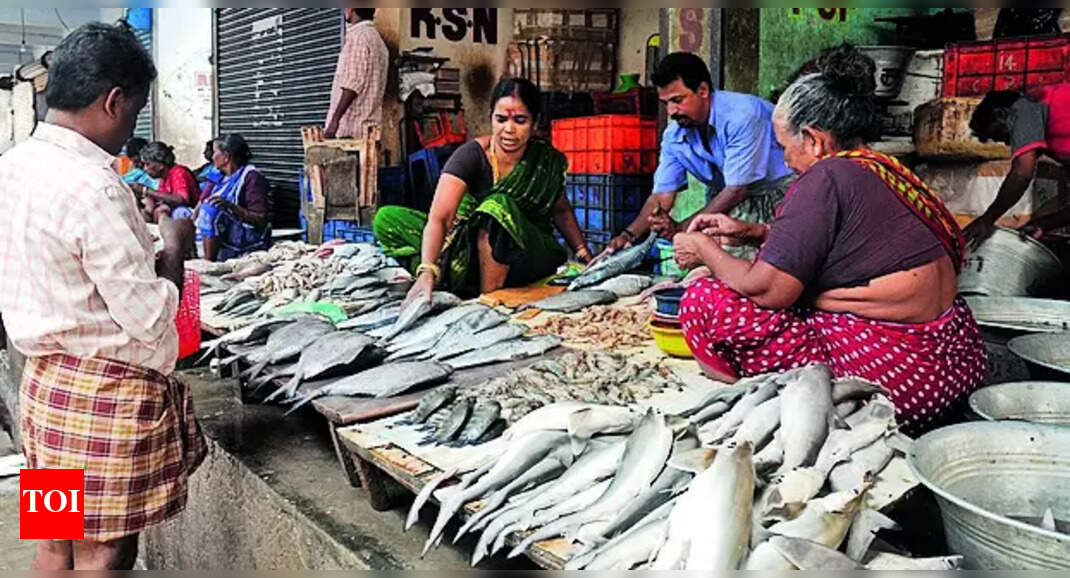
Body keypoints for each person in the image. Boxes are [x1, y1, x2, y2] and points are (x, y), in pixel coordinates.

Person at [673, 47, 986, 433]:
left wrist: (704, 249)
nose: (784, 160)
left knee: (703, 296)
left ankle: (743, 401)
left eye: (784, 146)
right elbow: (846, 246)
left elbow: (769, 290)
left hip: (900, 378)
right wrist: (754, 233)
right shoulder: (881, 168)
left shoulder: (825, 177)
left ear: (814, 140)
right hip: (956, 361)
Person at [0, 23, 206, 570]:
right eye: (135, 112)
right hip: (106, 397)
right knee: (104, 551)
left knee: (54, 536)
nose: (130, 129)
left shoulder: (12, 168)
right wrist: (173, 243)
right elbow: (150, 315)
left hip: (46, 387)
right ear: (114, 101)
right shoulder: (95, 185)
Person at [375, 77, 591, 299]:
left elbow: (561, 210)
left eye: (520, 120)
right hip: (471, 248)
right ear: (491, 118)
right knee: (386, 219)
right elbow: (441, 217)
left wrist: (583, 253)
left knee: (496, 207)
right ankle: (443, 275)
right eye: (501, 119)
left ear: (535, 123)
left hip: (529, 254)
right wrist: (427, 268)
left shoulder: (544, 161)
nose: (509, 129)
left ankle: (489, 298)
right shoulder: (472, 156)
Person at [601, 52, 794, 259]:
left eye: (677, 100)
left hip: (782, 195)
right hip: (727, 201)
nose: (672, 111)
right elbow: (661, 196)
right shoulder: (674, 135)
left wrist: (683, 228)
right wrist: (628, 235)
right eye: (666, 103)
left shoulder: (742, 116)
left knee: (775, 265)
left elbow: (737, 190)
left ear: (703, 90)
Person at [964, 84, 1070, 245]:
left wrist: (987, 219)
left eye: (1001, 135)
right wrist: (1043, 224)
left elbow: (1021, 174)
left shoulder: (1025, 106)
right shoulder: (1060, 144)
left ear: (1000, 114)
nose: (1009, 143)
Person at [195, 134, 272, 262]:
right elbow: (202, 202)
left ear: (226, 157)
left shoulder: (251, 177)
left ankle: (209, 263)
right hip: (224, 234)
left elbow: (260, 219)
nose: (211, 157)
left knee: (211, 210)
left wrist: (230, 207)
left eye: (214, 152)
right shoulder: (218, 175)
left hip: (247, 237)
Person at [324, 8, 388, 139]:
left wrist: (335, 120)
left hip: (351, 132)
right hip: (368, 132)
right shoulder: (378, 41)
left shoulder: (359, 38)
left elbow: (352, 84)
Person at [138, 141, 199, 222]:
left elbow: (182, 200)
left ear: (160, 164)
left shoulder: (179, 172)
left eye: (147, 164)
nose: (145, 168)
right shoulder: (163, 178)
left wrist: (146, 190)